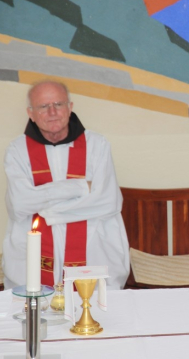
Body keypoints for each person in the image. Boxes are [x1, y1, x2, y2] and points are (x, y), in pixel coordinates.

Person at [2, 81, 130, 289]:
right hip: (32, 259)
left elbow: (108, 202)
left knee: (96, 313)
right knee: (36, 313)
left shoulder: (97, 145)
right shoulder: (17, 150)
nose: (52, 112)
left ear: (70, 108)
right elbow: (19, 205)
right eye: (43, 106)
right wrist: (78, 188)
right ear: (31, 113)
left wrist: (46, 211)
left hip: (93, 250)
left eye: (58, 104)